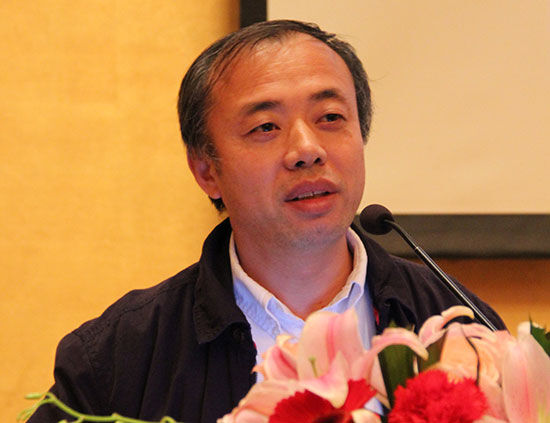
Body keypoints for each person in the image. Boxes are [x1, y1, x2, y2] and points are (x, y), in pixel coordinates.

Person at [28, 20, 505, 423]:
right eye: (265, 127)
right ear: (206, 170)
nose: (306, 149)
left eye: (330, 117)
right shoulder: (120, 359)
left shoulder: (463, 329)